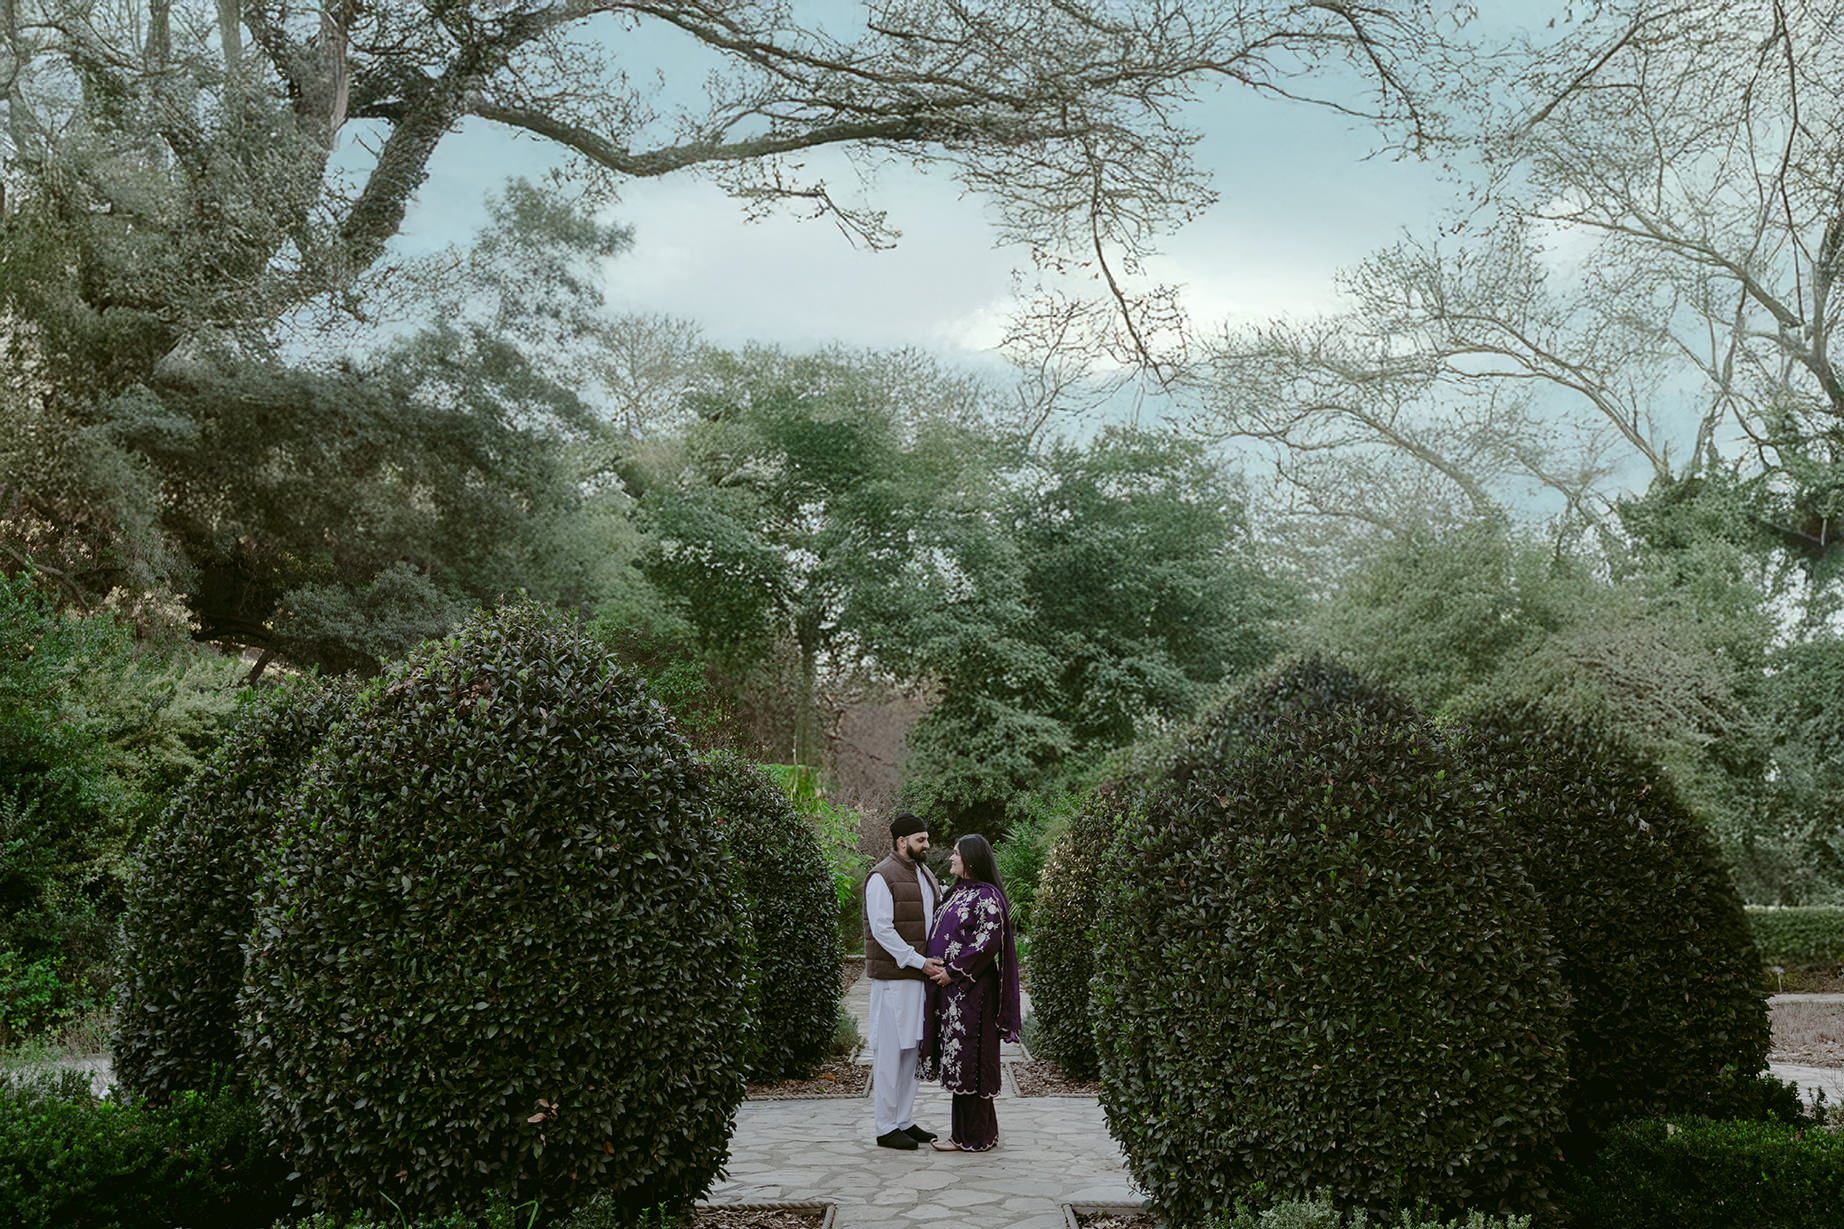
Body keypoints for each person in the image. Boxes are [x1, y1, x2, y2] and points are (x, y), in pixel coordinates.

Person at [919, 833, 1022, 1153]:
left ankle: (972, 1136)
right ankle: (975, 1134)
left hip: (973, 994)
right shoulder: (958, 893)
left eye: (956, 853)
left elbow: (986, 943)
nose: (951, 858)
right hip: (955, 996)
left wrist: (952, 971)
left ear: (972, 859)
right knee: (961, 1060)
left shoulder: (987, 897)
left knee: (971, 1061)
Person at [862, 811, 945, 1150]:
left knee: (912, 1050)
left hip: (920, 978)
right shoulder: (881, 876)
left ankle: (904, 1120)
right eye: (921, 839)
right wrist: (918, 961)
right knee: (890, 1053)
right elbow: (882, 930)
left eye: (926, 839)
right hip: (894, 979)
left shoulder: (924, 873)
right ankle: (885, 1127)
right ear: (901, 841)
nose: (927, 845)